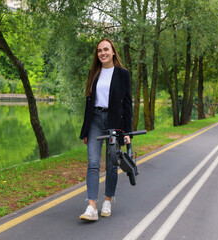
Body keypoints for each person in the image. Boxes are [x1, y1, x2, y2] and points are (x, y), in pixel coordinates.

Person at [79, 38, 132, 221]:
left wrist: (126, 132)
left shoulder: (123, 74)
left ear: (113, 52)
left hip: (114, 123)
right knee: (93, 163)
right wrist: (85, 130)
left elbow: (127, 104)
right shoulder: (94, 73)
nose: (103, 53)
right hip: (95, 120)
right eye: (100, 50)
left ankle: (108, 200)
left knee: (111, 165)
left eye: (106, 49)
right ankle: (91, 206)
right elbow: (88, 103)